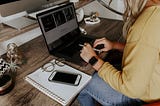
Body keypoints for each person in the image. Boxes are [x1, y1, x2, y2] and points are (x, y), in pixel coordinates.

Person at [78, 0, 160, 105]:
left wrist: (93, 59)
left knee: (82, 81)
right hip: (154, 87)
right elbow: (147, 51)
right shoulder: (156, 13)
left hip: (141, 99)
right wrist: (114, 45)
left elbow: (131, 89)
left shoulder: (145, 26)